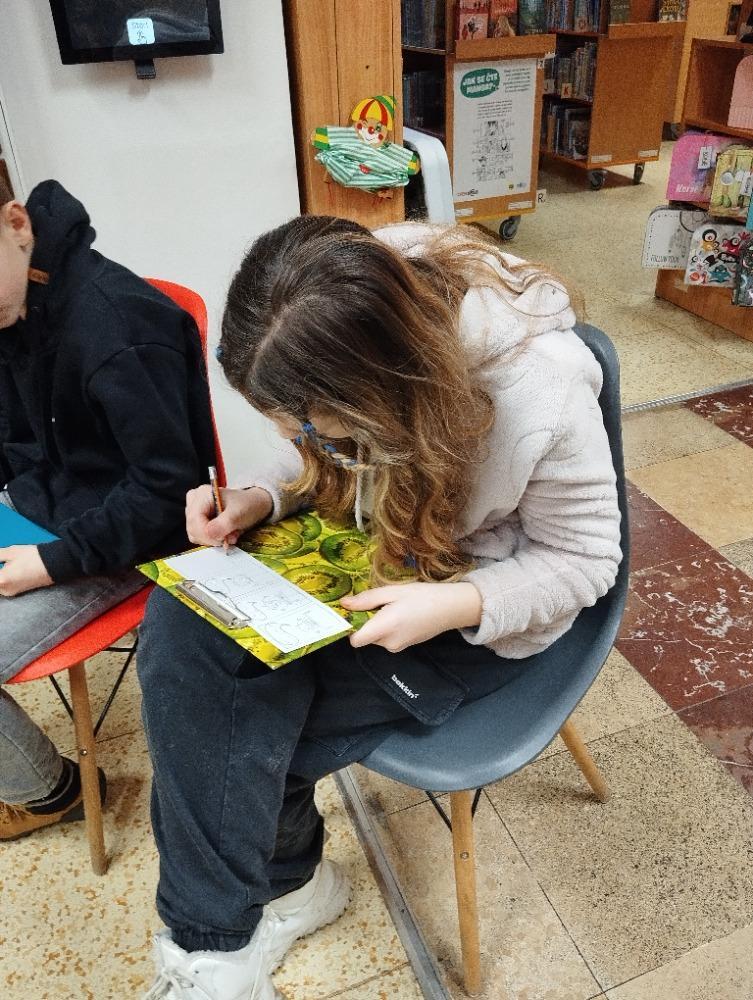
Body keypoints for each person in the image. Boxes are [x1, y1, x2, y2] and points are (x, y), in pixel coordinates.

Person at [137, 216, 622, 1000]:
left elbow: (587, 559)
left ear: (386, 392)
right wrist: (260, 497)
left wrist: (454, 604)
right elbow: (313, 453)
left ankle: (259, 915)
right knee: (179, 628)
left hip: (480, 604)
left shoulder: (543, 387)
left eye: (315, 425)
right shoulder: (349, 307)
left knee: (236, 738)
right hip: (372, 551)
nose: (302, 439)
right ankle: (233, 931)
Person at [0, 178, 216, 840]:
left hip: (126, 539)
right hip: (47, 504)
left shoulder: (118, 328)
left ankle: (48, 792)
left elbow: (166, 496)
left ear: (17, 224)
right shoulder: (14, 302)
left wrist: (50, 563)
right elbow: (15, 437)